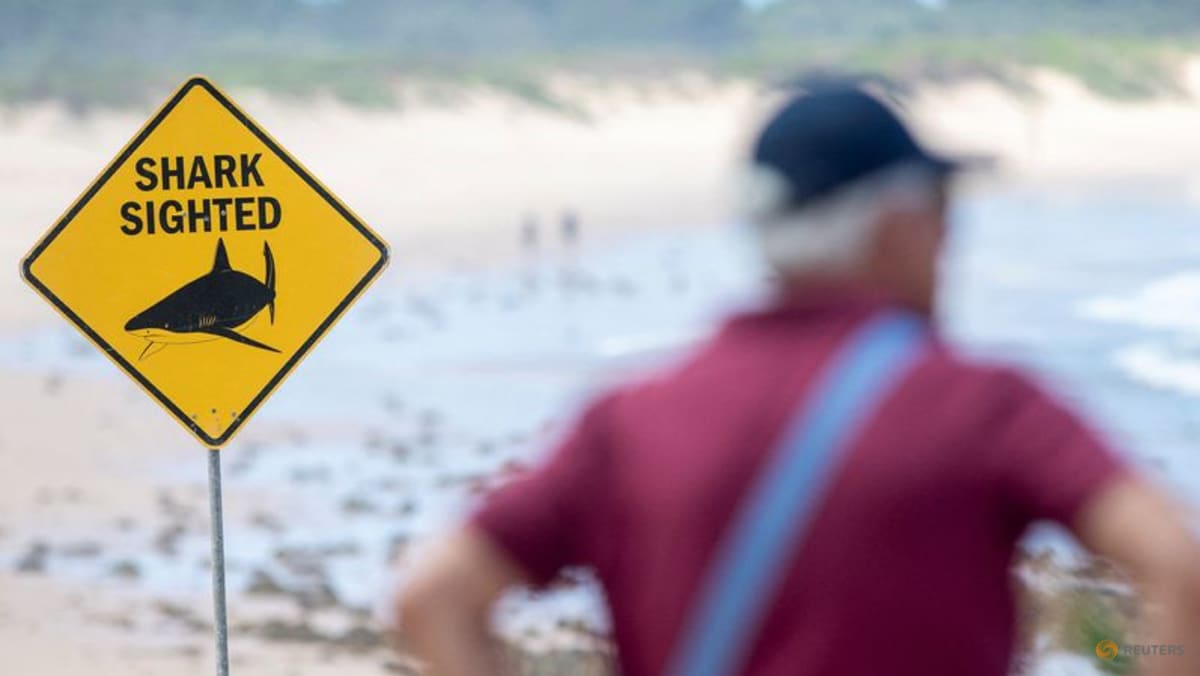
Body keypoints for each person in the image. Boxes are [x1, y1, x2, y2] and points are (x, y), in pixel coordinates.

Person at [392, 85, 1200, 676]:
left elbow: (435, 595)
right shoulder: (982, 407)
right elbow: (1173, 559)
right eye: (943, 211)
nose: (950, 239)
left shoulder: (628, 422)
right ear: (894, 225)